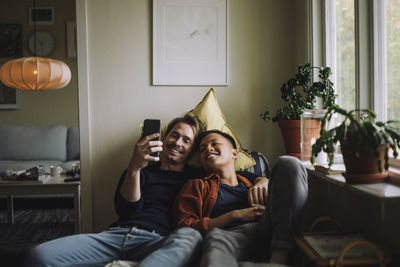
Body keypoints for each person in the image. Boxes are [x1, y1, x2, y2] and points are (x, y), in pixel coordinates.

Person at [25, 114, 269, 267]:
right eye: (175, 135)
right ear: (164, 138)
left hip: (160, 241)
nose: (178, 142)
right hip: (115, 236)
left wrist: (262, 179)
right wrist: (134, 167)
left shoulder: (198, 177)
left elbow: (235, 174)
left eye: (187, 141)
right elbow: (127, 209)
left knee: (190, 237)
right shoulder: (140, 169)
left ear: (193, 151)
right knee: (39, 257)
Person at [173, 130, 308, 266]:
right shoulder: (196, 185)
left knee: (289, 162)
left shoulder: (254, 182)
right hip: (229, 237)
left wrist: (263, 181)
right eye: (202, 149)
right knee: (215, 238)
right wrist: (235, 215)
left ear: (234, 153)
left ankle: (280, 258)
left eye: (214, 143)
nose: (208, 148)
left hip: (269, 230)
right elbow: (184, 227)